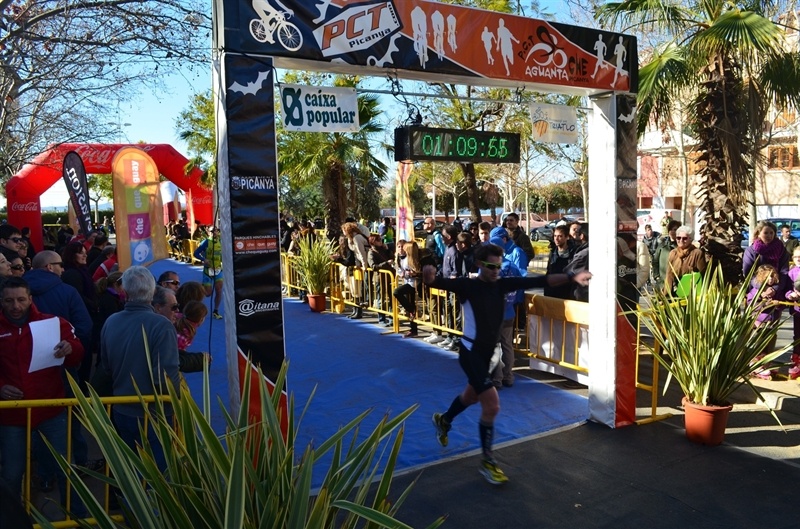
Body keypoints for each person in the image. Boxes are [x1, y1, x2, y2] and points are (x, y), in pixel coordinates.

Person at [426, 244, 591, 484]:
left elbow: (538, 280)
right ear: (479, 264)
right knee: (492, 405)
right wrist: (429, 276)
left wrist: (571, 277)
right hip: (471, 353)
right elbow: (435, 282)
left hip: (489, 354)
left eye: (498, 266)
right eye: (491, 266)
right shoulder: (467, 285)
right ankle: (488, 461)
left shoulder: (502, 284)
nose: (496, 271)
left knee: (471, 396)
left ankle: (444, 419)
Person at [0, 277, 84, 509]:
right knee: (12, 473)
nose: (15, 306)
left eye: (20, 300)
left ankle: (78, 517)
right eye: (9, 301)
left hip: (50, 409)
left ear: (30, 299)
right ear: (1, 301)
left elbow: (78, 352)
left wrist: (70, 348)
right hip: (12, 414)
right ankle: (11, 520)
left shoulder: (52, 323)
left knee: (67, 469)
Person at [98, 266, 180, 471]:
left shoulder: (111, 322)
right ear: (152, 292)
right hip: (154, 414)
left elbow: (106, 367)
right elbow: (164, 378)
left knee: (131, 473)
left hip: (121, 409)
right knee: (159, 476)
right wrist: (178, 402)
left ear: (124, 291)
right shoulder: (161, 325)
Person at [747, 264, 782, 380]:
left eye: (773, 276)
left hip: (771, 324)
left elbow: (781, 305)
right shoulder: (755, 291)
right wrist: (766, 303)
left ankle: (766, 363)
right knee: (759, 344)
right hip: (759, 324)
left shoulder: (775, 292)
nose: (771, 279)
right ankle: (755, 365)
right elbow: (752, 306)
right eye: (768, 277)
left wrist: (778, 305)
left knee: (770, 343)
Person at [743, 220, 789, 295]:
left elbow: (784, 271)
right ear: (758, 234)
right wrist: (763, 288)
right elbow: (748, 274)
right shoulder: (751, 251)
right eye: (765, 233)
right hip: (756, 290)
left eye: (771, 233)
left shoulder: (781, 250)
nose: (769, 236)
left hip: (778, 289)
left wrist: (775, 289)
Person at [665, 226, 708, 294]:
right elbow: (668, 275)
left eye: (684, 238)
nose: (681, 240)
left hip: (690, 294)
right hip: (673, 294)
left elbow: (703, 275)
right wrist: (666, 294)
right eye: (678, 238)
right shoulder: (673, 253)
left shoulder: (697, 253)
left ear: (690, 239)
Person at [193, 225, 224, 319]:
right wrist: (203, 259)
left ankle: (216, 311)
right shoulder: (206, 242)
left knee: (219, 290)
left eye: (216, 230)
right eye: (212, 231)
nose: (214, 232)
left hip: (218, 269)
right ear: (208, 232)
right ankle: (198, 292)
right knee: (208, 293)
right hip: (208, 270)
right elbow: (196, 253)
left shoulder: (221, 241)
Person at [342, 222, 371, 320]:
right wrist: (358, 265)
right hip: (360, 264)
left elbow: (361, 253)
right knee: (357, 289)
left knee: (363, 287)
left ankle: (361, 308)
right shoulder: (351, 239)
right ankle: (356, 310)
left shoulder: (357, 238)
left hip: (366, 263)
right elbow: (356, 254)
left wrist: (364, 266)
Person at [393, 240, 422, 338]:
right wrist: (401, 273)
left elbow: (416, 270)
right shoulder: (398, 258)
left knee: (397, 292)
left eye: (403, 247)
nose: (401, 249)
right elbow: (399, 269)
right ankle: (413, 329)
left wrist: (412, 273)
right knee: (410, 304)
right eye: (399, 247)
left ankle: (411, 310)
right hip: (407, 281)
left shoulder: (411, 257)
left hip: (414, 283)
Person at [544, 225, 575, 299]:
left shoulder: (574, 253)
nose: (556, 239)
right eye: (555, 236)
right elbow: (549, 272)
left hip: (567, 294)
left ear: (567, 237)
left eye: (560, 236)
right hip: (552, 294)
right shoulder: (553, 253)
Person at [651, 220, 680, 291]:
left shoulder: (681, 247)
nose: (672, 232)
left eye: (675, 230)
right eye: (670, 229)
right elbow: (655, 262)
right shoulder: (662, 246)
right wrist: (657, 277)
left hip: (678, 284)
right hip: (663, 283)